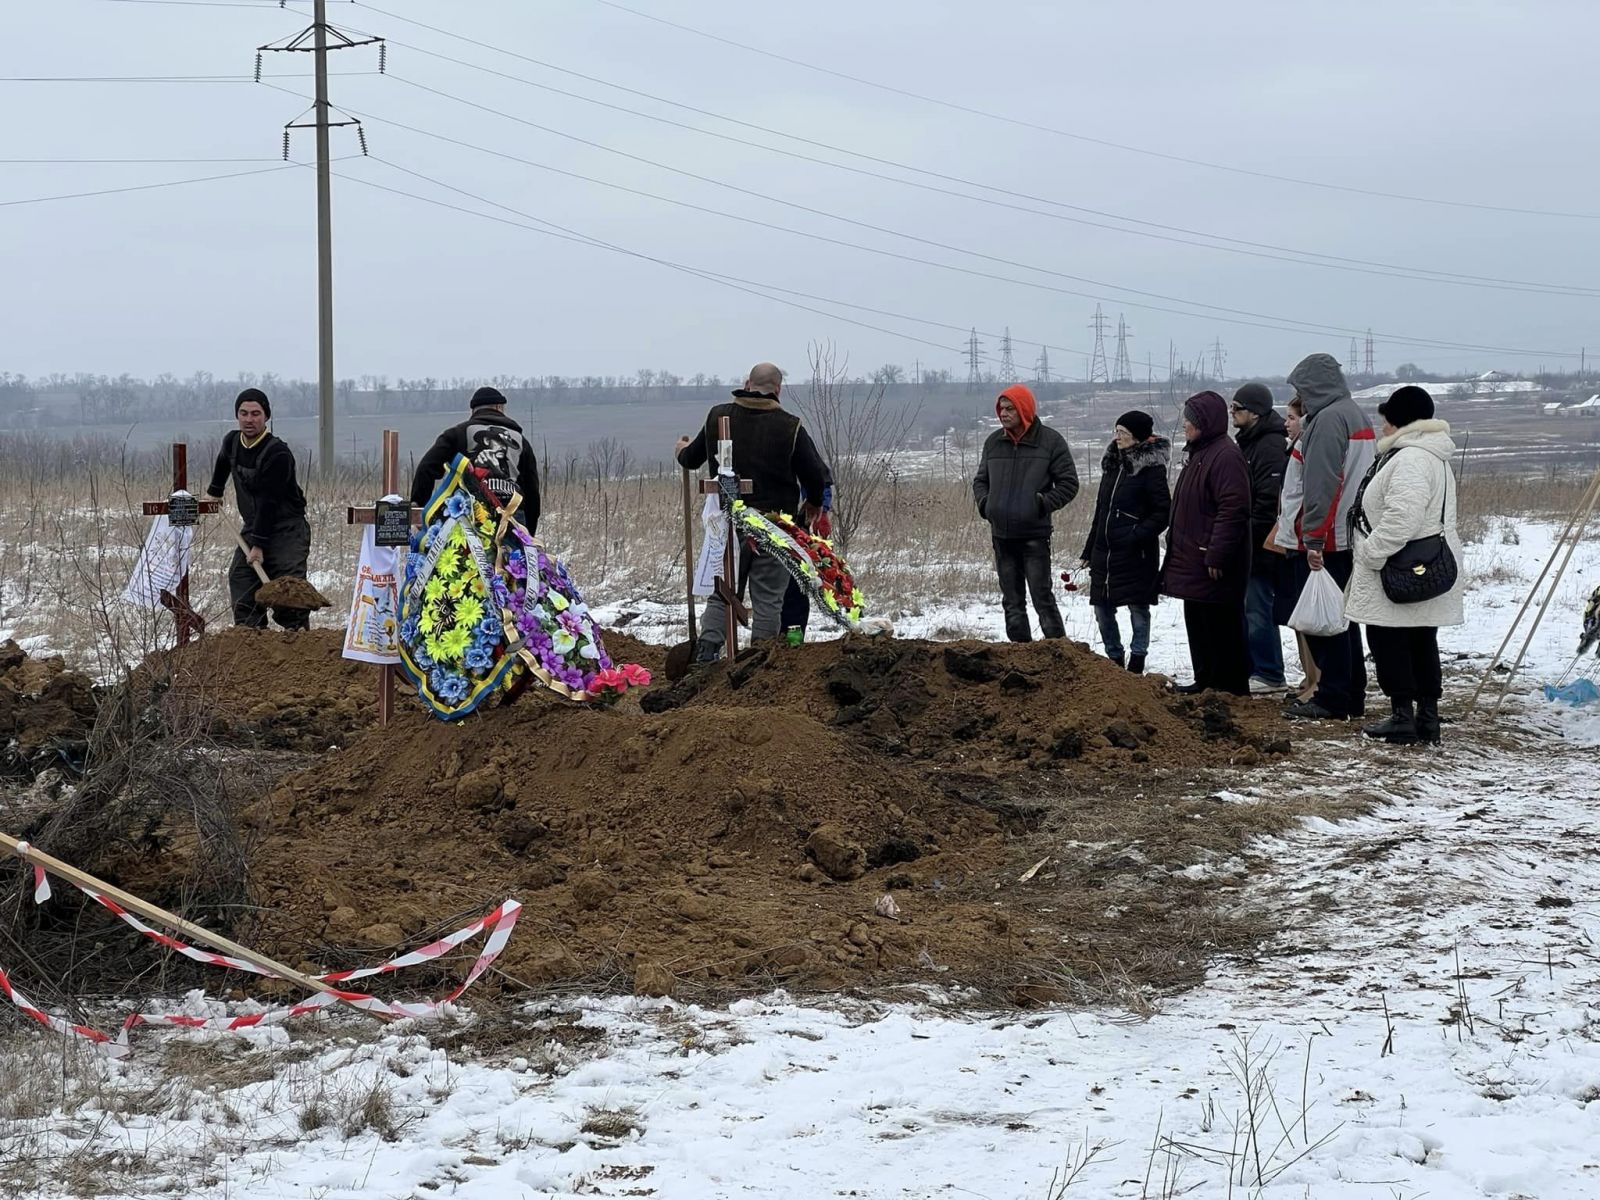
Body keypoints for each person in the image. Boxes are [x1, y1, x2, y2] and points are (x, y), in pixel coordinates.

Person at [676, 362, 827, 661]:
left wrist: (680, 449)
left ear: (747, 384)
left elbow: (691, 459)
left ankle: (706, 654)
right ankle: (758, 663)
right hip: (773, 527)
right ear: (778, 390)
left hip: (726, 524)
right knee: (769, 598)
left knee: (722, 590)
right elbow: (815, 477)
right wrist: (812, 505)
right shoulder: (790, 426)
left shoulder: (718, 416)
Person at [1344, 386, 1463, 745]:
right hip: (1426, 564)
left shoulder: (1411, 458)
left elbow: (1403, 517)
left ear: (1400, 421)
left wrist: (1372, 553)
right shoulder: (1432, 454)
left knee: (1389, 639)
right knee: (1421, 638)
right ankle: (1427, 718)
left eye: (1386, 420)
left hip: (1400, 567)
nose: (1382, 428)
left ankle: (1402, 717)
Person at [1283, 353, 1376, 721]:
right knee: (1344, 619)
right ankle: (1351, 692)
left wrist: (1314, 538)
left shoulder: (1327, 421)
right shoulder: (1355, 413)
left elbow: (1323, 483)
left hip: (1332, 534)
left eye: (1300, 389)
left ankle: (1335, 696)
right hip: (1352, 531)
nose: (1299, 396)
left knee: (1327, 623)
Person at [973, 383, 1080, 642]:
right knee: (1011, 601)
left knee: (1042, 598)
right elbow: (980, 480)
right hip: (1002, 535)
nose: (1003, 413)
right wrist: (987, 505)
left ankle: (1061, 655)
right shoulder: (993, 442)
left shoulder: (1051, 442)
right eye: (1001, 408)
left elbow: (1069, 484)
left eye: (1010, 408)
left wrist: (1040, 504)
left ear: (1024, 409)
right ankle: (1020, 656)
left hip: (1034, 535)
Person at [1161, 391, 1252, 695]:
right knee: (1199, 623)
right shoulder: (1201, 453)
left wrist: (1217, 554)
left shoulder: (1225, 456)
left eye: (1191, 419)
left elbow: (1233, 509)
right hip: (1194, 559)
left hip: (1212, 560)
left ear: (1206, 422)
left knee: (1220, 626)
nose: (1185, 424)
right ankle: (1207, 682)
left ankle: (1229, 688)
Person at [204, 387, 312, 630]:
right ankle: (251, 644)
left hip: (287, 531)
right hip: (254, 527)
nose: (249, 419)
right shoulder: (232, 441)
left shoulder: (278, 453)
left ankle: (298, 647)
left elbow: (269, 502)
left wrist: (258, 545)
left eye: (255, 414)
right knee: (241, 581)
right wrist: (215, 490)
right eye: (243, 413)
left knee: (288, 594)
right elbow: (223, 461)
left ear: (266, 417)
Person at [1078, 410, 1170, 673]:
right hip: (1104, 551)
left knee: (1138, 607)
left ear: (1138, 437)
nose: (1117, 437)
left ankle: (1137, 659)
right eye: (1116, 431)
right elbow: (1101, 511)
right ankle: (1114, 659)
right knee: (1101, 607)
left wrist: (1135, 535)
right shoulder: (1112, 464)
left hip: (1136, 553)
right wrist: (1088, 549)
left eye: (1124, 433)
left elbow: (1162, 512)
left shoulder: (1151, 469)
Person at [412, 386, 541, 531]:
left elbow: (426, 468)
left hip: (467, 518)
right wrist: (528, 535)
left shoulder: (458, 433)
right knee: (513, 554)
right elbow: (532, 492)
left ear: (474, 411)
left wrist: (419, 510)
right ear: (500, 407)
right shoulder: (521, 441)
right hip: (512, 520)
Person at [1231, 383, 1289, 694]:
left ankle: (1269, 672)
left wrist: (1248, 537)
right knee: (1249, 608)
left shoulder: (1268, 446)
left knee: (1258, 608)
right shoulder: (1250, 442)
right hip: (1251, 542)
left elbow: (1268, 500)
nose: (1232, 414)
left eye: (1237, 408)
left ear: (1255, 412)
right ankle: (1255, 669)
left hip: (1261, 545)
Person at [1270, 397, 1320, 703]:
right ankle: (1309, 677)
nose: (1286, 423)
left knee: (1312, 618)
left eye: (1291, 417)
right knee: (1298, 618)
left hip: (1305, 542)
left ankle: (1318, 679)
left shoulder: (1311, 448)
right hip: (1291, 541)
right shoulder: (1294, 449)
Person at [779, 463, 834, 645]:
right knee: (773, 595)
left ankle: (792, 644)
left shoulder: (793, 435)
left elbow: (816, 474)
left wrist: (822, 509)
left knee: (794, 590)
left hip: (793, 528)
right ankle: (767, 647)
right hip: (754, 527)